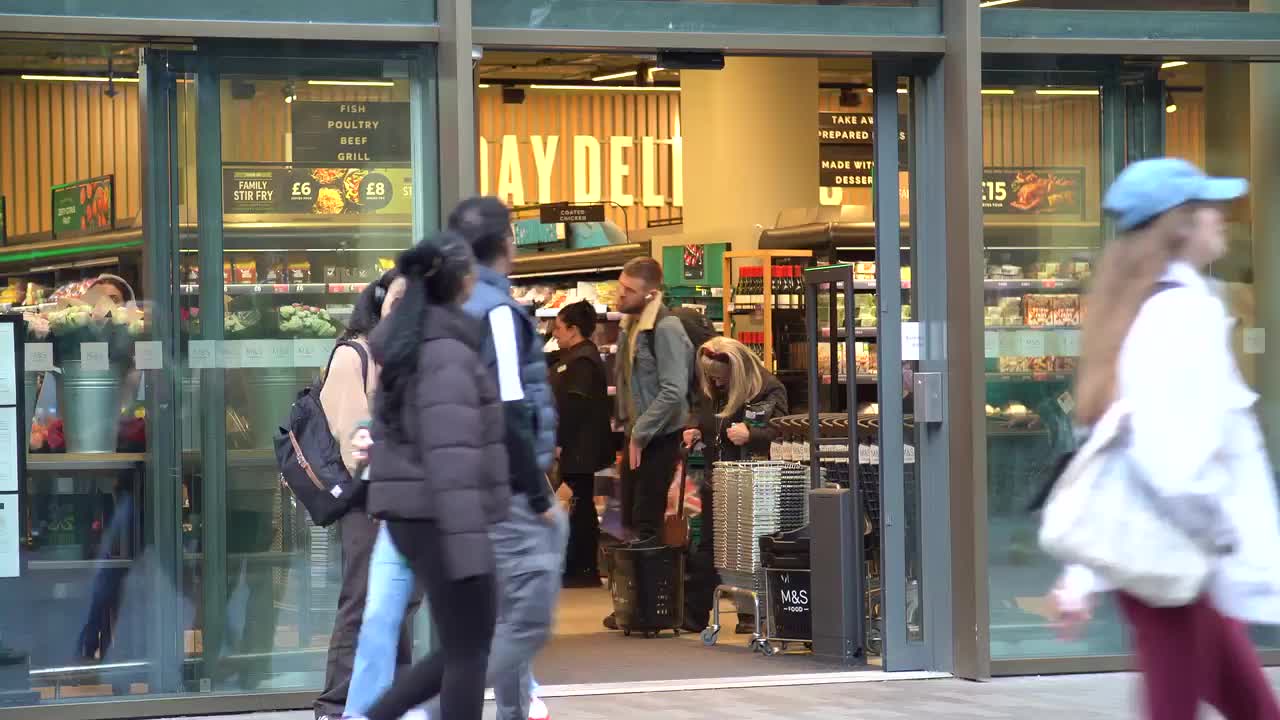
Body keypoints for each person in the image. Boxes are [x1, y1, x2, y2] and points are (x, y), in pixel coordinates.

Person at [1052, 157, 1280, 720]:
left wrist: (1082, 575)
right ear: (1180, 224)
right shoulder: (1181, 313)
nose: (1221, 217)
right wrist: (1226, 538)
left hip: (1173, 562)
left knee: (1252, 707)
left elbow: (1114, 452)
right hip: (1179, 562)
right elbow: (1170, 460)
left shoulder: (1144, 309)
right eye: (1209, 208)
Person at [353, 235, 509, 720]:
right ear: (460, 282)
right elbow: (452, 454)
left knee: (463, 645)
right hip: (444, 517)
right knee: (469, 649)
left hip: (417, 515)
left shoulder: (412, 344)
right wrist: (469, 544)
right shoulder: (445, 353)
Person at [453, 196, 566, 720]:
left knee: (499, 612)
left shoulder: (449, 303)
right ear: (506, 243)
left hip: (464, 480)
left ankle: (509, 710)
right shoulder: (496, 310)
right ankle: (433, 705)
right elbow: (509, 405)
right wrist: (536, 493)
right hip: (504, 485)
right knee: (525, 618)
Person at [313, 270, 419, 720]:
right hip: (370, 501)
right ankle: (334, 707)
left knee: (399, 604)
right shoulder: (353, 356)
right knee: (361, 601)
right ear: (378, 302)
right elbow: (354, 439)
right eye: (399, 298)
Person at [605, 256, 693, 630]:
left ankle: (650, 610)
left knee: (647, 519)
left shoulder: (666, 328)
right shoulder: (631, 326)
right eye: (620, 286)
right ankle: (633, 604)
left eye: (629, 290)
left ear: (650, 293)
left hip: (659, 437)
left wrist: (641, 432)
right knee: (628, 518)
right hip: (637, 435)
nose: (620, 294)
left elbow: (673, 390)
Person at [682, 336, 788, 635]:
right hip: (718, 478)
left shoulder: (769, 388)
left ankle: (751, 613)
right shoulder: (713, 388)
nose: (715, 382)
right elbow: (706, 419)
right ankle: (693, 615)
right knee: (707, 546)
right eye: (710, 376)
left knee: (750, 548)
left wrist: (752, 435)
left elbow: (782, 431)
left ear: (737, 371)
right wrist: (695, 430)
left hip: (753, 482)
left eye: (720, 376)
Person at [549, 300, 614, 588]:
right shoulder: (576, 357)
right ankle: (579, 566)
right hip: (578, 446)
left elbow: (575, 407)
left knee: (578, 506)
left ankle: (582, 568)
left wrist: (561, 441)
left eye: (559, 328)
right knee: (578, 504)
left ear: (573, 329)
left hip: (580, 447)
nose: (555, 334)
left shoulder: (583, 361)